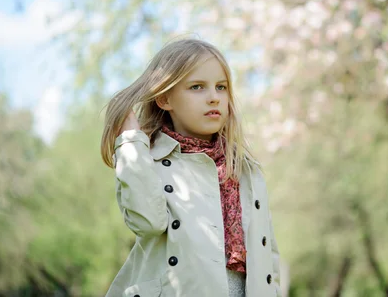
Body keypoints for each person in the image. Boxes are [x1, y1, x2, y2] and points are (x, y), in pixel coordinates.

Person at [100, 39, 281, 297]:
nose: (213, 98)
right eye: (197, 87)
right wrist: (130, 141)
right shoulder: (146, 160)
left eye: (221, 87)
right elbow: (148, 223)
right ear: (164, 98)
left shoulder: (245, 169)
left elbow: (267, 257)